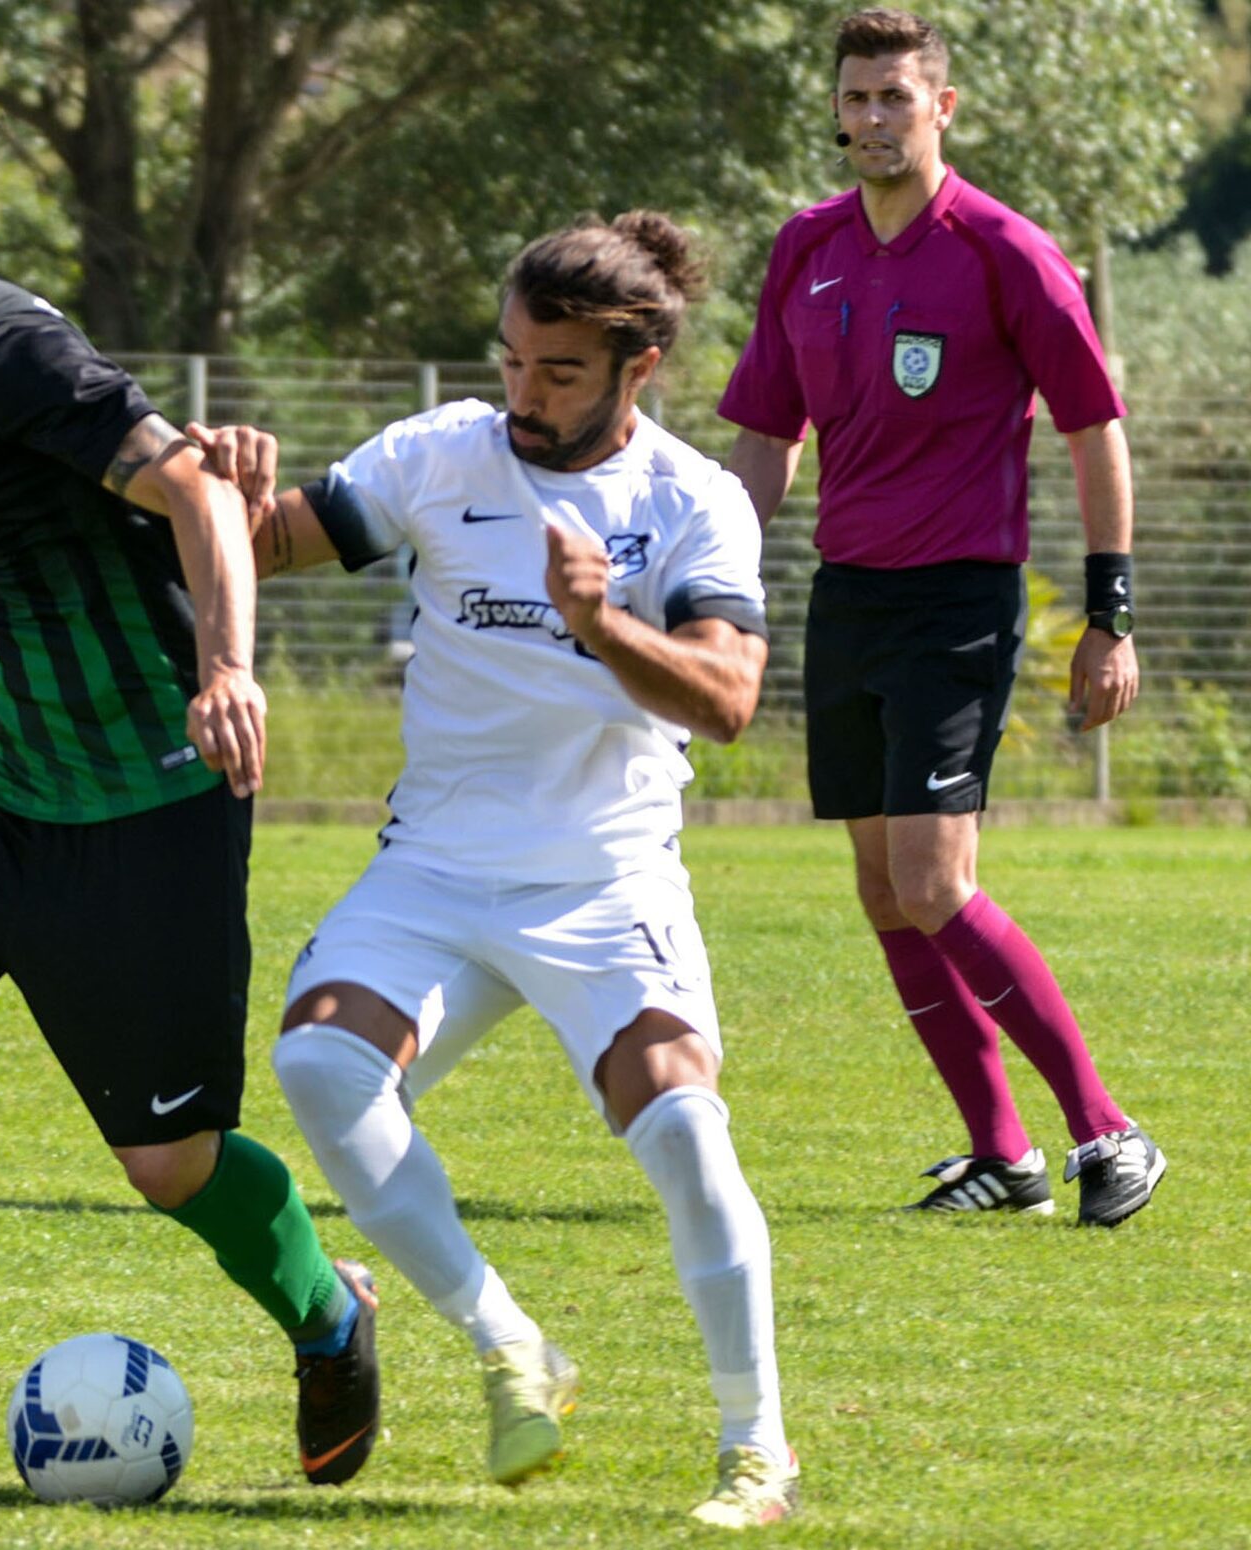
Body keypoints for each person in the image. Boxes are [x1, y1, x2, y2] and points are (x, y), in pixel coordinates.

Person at [0, 97, 379, 1489]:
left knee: (170, 1164)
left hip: (143, 800)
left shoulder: (16, 351)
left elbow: (200, 493)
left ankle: (329, 1311)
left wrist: (226, 668)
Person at [195, 212, 796, 1528]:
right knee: (319, 1062)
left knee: (685, 1131)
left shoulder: (692, 500)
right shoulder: (437, 454)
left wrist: (598, 620)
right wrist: (217, 493)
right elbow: (268, 542)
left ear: (638, 368)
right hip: (437, 870)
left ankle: (756, 1450)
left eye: (559, 371)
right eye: (512, 360)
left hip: (606, 879)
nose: (525, 393)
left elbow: (727, 699)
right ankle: (509, 1339)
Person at [717, 8, 1163, 1226]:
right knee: (881, 889)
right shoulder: (805, 246)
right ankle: (1000, 1153)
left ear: (940, 108)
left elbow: (1092, 428)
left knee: (930, 877)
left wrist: (1109, 613)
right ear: (835, 109)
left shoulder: (1003, 249)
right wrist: (713, 574)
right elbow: (765, 434)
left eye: (894, 98)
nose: (872, 118)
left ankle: (1106, 1129)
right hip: (845, 595)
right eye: (854, 98)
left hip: (958, 595)